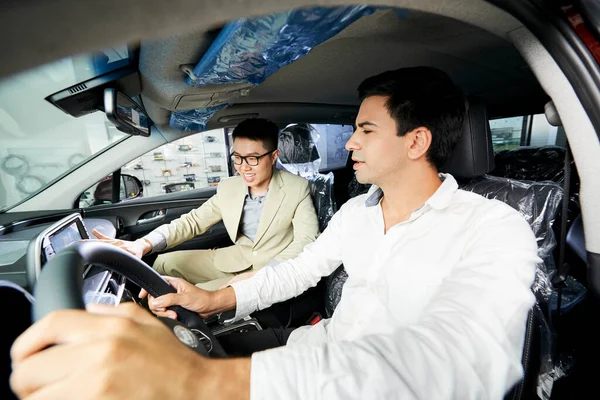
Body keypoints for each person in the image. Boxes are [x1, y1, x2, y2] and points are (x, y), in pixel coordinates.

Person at [10, 67, 540, 400]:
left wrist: (200, 386)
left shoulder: (494, 227)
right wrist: (216, 300)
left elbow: (462, 361)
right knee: (187, 347)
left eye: (365, 130)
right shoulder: (359, 211)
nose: (350, 143)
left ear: (416, 141)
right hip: (314, 346)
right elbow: (301, 269)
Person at [92, 117, 319, 290]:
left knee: (190, 295)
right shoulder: (229, 187)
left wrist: (261, 276)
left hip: (272, 271)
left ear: (273, 156)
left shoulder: (296, 187)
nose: (243, 167)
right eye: (237, 158)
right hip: (234, 259)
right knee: (162, 263)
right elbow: (192, 222)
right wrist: (143, 243)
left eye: (252, 158)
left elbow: (306, 241)